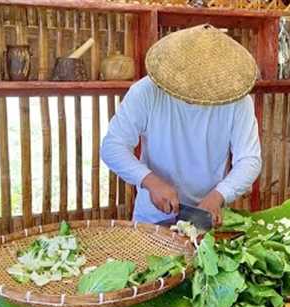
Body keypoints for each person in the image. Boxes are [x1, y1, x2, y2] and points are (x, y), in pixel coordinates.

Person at [100, 24, 262, 226]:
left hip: (206, 218)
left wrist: (219, 195)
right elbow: (112, 146)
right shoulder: (146, 92)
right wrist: (150, 181)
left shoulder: (237, 100)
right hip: (152, 219)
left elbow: (249, 160)